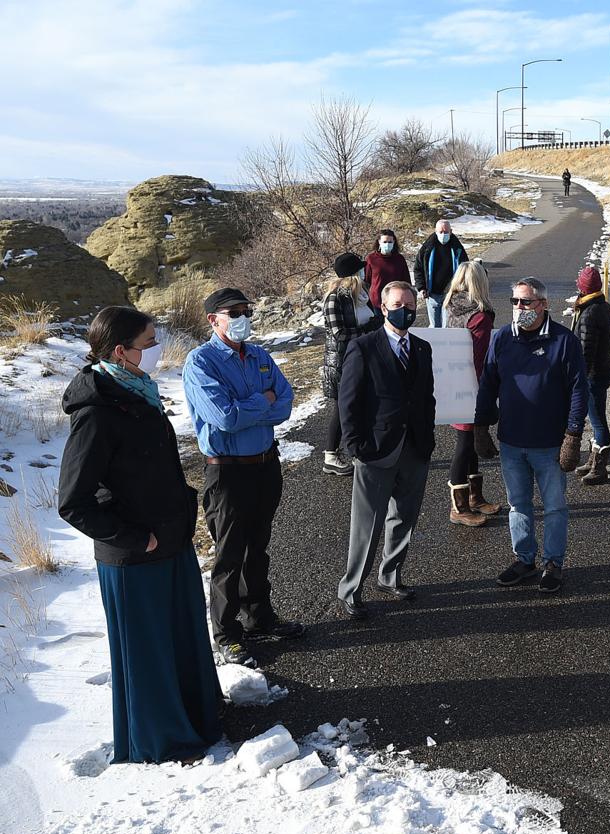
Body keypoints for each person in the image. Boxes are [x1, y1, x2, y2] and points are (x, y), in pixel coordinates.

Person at [59, 306, 222, 763]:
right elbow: (74, 500)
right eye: (149, 344)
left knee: (183, 637)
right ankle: (162, 742)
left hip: (171, 540)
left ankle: (198, 719)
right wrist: (132, 537)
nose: (156, 352)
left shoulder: (137, 392)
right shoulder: (96, 413)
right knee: (148, 654)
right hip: (135, 556)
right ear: (120, 351)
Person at [183, 288, 303, 666]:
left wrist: (259, 405)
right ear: (212, 319)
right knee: (229, 554)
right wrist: (261, 402)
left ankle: (259, 617)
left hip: (266, 465)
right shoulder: (200, 363)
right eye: (233, 312)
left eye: (245, 310)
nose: (241, 317)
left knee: (258, 548)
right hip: (227, 471)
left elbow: (285, 402)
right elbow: (225, 418)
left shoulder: (259, 356)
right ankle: (226, 631)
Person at [474, 277, 587, 594]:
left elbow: (579, 390)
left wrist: (573, 435)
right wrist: (481, 425)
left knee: (554, 507)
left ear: (544, 304)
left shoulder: (564, 341)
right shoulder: (502, 339)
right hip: (512, 442)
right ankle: (525, 559)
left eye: (526, 302)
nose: (519, 308)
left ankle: (553, 563)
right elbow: (488, 382)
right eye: (515, 302)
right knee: (518, 505)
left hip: (550, 444)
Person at [335, 281, 436, 618]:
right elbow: (347, 401)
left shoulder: (422, 348)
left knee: (404, 518)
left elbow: (426, 399)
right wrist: (354, 446)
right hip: (375, 450)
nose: (404, 310)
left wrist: (428, 439)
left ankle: (390, 576)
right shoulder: (363, 347)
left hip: (414, 448)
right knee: (367, 524)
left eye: (409, 305)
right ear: (382, 307)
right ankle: (351, 589)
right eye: (397, 304)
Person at [444, 260, 502, 527]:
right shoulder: (479, 316)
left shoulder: (453, 306)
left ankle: (475, 497)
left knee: (471, 442)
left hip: (455, 382)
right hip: (473, 386)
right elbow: (481, 359)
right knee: (465, 445)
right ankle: (460, 506)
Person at [321, 252, 383, 477]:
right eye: (359, 269)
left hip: (362, 356)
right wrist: (368, 329)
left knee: (360, 404)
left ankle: (358, 449)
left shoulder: (360, 294)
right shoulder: (334, 298)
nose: (363, 272)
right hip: (341, 360)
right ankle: (331, 455)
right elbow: (339, 334)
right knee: (342, 408)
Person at [572, 265, 610, 486]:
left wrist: (578, 378)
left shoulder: (589, 313)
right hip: (603, 369)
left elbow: (585, 350)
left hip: (592, 374)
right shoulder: (604, 307)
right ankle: (593, 460)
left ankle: (599, 467)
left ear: (583, 287)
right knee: (596, 417)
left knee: (598, 420)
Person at [413, 219, 468, 328]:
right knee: (434, 326)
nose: (443, 235)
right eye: (441, 232)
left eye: (446, 232)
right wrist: (421, 287)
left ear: (451, 231)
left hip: (451, 293)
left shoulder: (457, 248)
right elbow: (418, 268)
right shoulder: (427, 248)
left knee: (447, 326)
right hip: (432, 293)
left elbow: (465, 269)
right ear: (435, 231)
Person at [363, 229, 411, 310]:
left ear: (394, 242)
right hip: (376, 301)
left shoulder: (399, 259)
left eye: (390, 242)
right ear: (379, 242)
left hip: (396, 301)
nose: (387, 244)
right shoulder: (371, 258)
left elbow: (406, 280)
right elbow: (366, 281)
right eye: (384, 242)